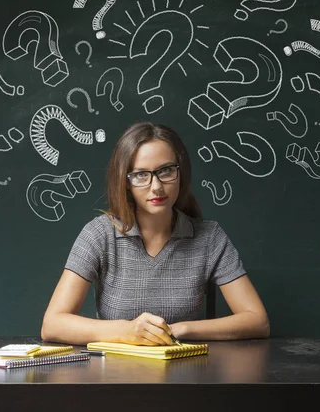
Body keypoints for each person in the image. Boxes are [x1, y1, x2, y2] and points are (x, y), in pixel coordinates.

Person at [41, 122, 269, 346]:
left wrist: (179, 329)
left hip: (187, 374)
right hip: (115, 377)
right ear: (125, 182)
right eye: (141, 175)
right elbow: (53, 324)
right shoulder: (100, 234)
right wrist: (127, 331)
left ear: (181, 173)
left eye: (166, 170)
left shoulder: (209, 237)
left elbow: (257, 321)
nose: (157, 187)